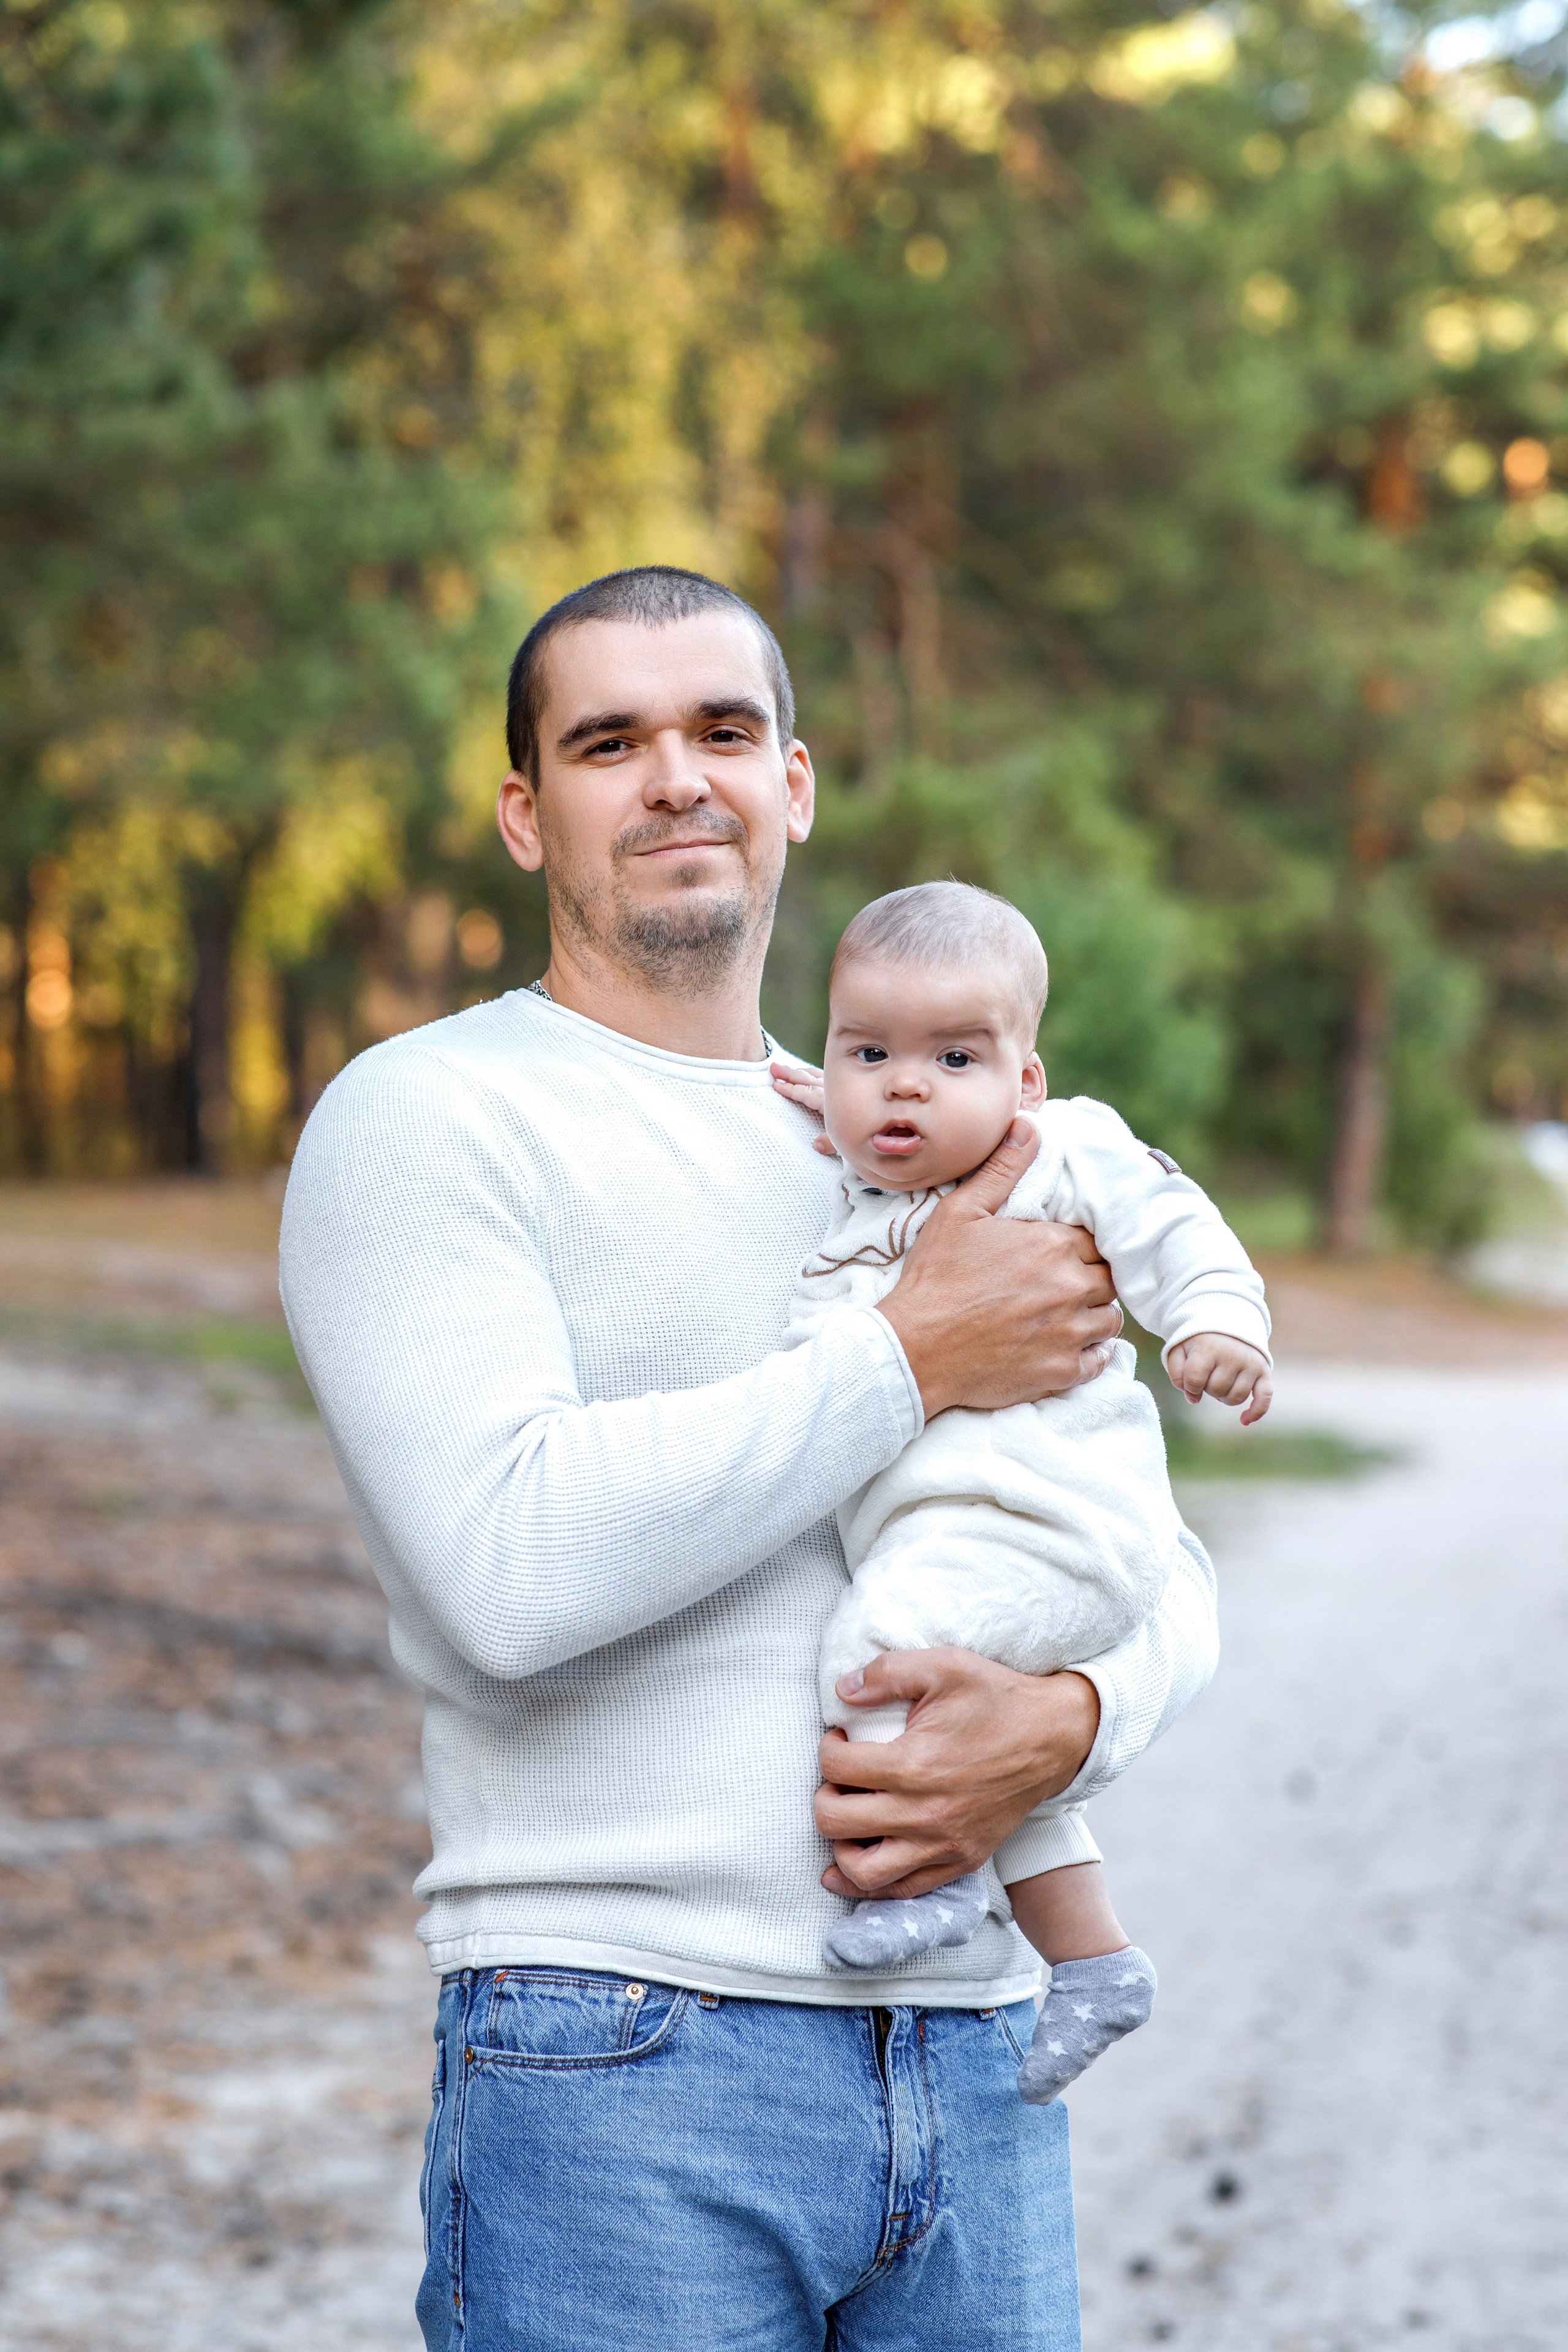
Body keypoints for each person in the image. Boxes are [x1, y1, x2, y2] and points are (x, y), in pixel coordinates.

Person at [279, 565, 1221, 2352]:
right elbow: (509, 1569)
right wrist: (905, 1357)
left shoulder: (917, 1141)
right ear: (523, 811)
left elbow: (1155, 1561)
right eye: (607, 740)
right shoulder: (431, 1118)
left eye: (722, 729)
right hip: (619, 2053)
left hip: (973, 2050)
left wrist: (1074, 1723)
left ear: (795, 783)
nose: (675, 778)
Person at [772, 878, 1271, 2103]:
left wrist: (1215, 1324)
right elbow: (829, 1102)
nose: (904, 1086)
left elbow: (1172, 1224)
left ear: (1025, 1082)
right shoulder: (861, 1175)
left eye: (953, 1056)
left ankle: (922, 1883)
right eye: (867, 1053)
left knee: (876, 1654)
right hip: (977, 1539)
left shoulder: (1058, 1152)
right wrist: (813, 1097)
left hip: (1054, 1525)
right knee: (965, 1714)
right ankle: (1092, 1960)